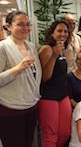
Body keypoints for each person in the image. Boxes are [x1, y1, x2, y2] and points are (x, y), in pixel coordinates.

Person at [0, 11, 42, 147]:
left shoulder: (31, 46)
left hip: (31, 106)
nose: (26, 28)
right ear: (9, 26)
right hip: (11, 110)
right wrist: (18, 68)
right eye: (20, 24)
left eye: (28, 24)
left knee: (28, 143)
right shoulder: (3, 48)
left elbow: (36, 74)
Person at [38, 20, 72, 147]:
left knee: (65, 133)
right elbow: (45, 77)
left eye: (66, 31)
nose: (63, 34)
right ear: (52, 33)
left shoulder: (62, 49)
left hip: (63, 96)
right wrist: (54, 55)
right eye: (59, 31)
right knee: (51, 135)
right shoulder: (46, 49)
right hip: (48, 98)